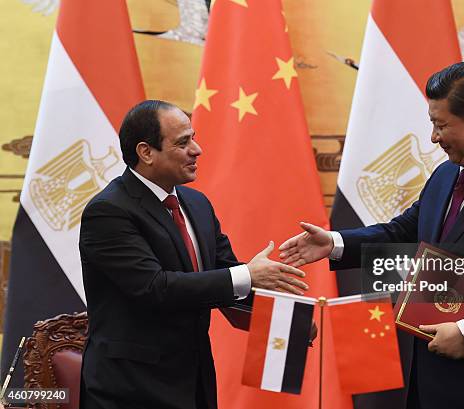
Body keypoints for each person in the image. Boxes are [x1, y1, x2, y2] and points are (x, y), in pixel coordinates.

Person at [279, 62, 464, 409]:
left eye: (441, 125)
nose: (433, 137)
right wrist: (335, 243)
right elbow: (403, 232)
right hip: (436, 378)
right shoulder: (447, 174)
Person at [79, 100, 308, 409]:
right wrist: (247, 275)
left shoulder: (197, 204)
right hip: (132, 388)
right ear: (146, 152)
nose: (197, 150)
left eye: (193, 138)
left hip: (194, 379)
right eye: (183, 142)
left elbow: (225, 276)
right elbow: (154, 288)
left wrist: (290, 318)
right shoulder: (109, 211)